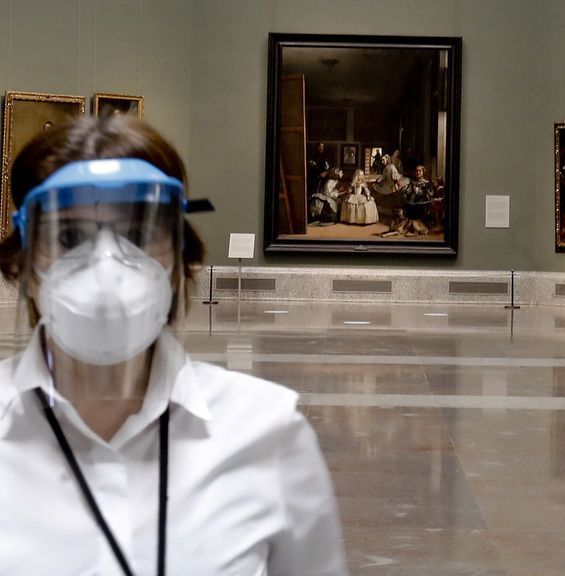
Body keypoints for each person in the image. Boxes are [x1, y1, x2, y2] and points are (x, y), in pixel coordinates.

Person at [0, 116, 347, 575]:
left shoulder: (265, 432)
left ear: (179, 255)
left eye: (138, 234)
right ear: (23, 261)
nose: (106, 268)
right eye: (69, 236)